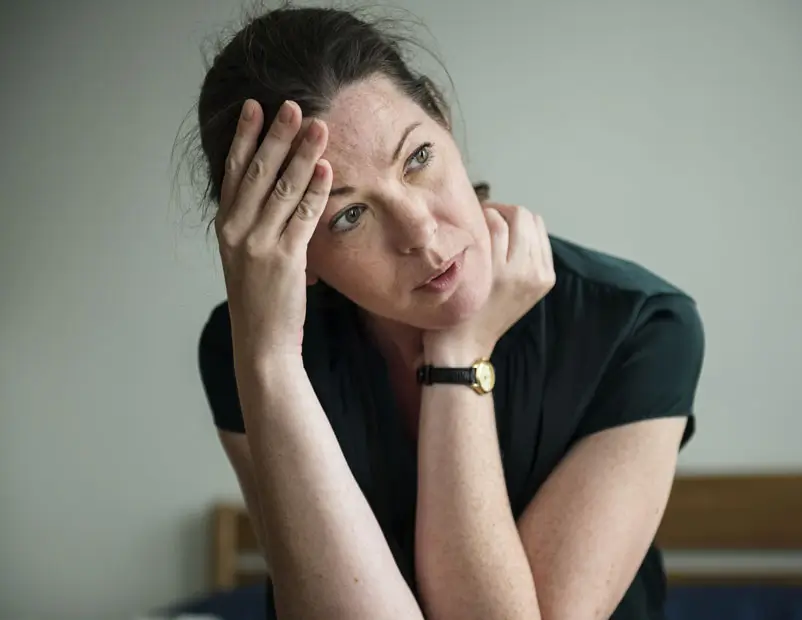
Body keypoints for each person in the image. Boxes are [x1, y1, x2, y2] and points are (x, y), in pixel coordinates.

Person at [189, 6, 705, 620]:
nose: (423, 234)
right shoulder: (246, 351)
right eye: (350, 216)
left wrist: (460, 354)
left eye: (418, 158)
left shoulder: (639, 328)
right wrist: (270, 362)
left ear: (442, 115)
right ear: (294, 251)